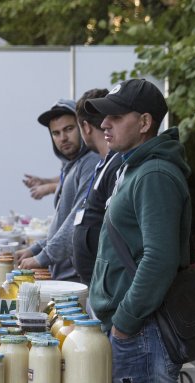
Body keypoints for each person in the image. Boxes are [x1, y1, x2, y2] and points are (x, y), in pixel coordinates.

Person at [86, 78, 189, 383]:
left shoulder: (155, 174)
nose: (104, 125)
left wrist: (125, 324)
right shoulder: (135, 166)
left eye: (115, 117)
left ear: (144, 123)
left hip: (143, 330)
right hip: (135, 329)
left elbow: (159, 259)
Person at [16, 100, 100, 280]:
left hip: (79, 277)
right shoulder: (71, 165)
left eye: (69, 129)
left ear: (83, 127)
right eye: (56, 133)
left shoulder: (90, 162)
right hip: (65, 274)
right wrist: (36, 248)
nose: (62, 138)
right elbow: (61, 224)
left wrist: (43, 257)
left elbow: (78, 220)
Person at [71, 88, 123, 284]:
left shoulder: (117, 164)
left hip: (106, 285)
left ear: (85, 127)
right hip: (96, 284)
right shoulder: (104, 162)